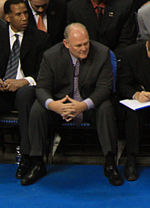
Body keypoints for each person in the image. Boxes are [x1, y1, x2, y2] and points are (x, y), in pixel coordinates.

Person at [20, 22, 123, 186]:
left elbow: (105, 88)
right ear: (66, 44)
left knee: (106, 107)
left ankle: (110, 163)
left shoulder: (102, 53)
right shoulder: (51, 56)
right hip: (61, 104)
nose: (84, 48)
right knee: (38, 109)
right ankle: (37, 162)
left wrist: (82, 106)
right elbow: (42, 88)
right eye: (78, 45)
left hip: (89, 104)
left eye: (86, 43)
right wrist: (53, 105)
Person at [0, 0, 50, 179]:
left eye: (25, 13)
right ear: (7, 17)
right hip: (2, 88)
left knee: (25, 95)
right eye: (18, 14)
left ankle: (27, 158)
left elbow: (44, 73)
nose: (24, 18)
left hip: (26, 90)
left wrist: (23, 81)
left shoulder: (40, 38)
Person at [117, 38, 150, 181]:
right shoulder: (131, 53)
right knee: (132, 114)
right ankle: (131, 159)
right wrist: (135, 94)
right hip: (141, 102)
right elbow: (122, 84)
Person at [67, 0, 137, 58]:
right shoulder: (74, 7)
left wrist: (111, 60)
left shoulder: (125, 5)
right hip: (84, 60)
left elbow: (126, 41)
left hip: (116, 60)